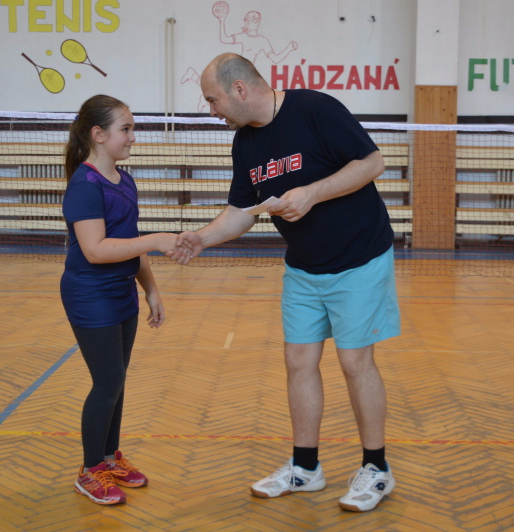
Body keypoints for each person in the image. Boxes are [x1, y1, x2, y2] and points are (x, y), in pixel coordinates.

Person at [172, 53, 401, 512]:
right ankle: (305, 468)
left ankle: (377, 469)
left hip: (359, 258)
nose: (212, 110)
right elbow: (241, 213)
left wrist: (312, 193)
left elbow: (372, 163)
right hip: (303, 267)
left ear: (239, 89)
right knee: (298, 361)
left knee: (355, 362)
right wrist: (201, 239)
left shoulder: (315, 109)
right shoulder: (245, 144)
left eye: (213, 99)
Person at [61, 94, 185, 505]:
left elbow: (129, 243)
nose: (133, 137)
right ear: (98, 134)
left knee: (117, 378)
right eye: (126, 129)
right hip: (89, 293)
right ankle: (89, 470)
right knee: (108, 381)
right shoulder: (84, 186)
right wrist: (156, 239)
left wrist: (151, 290)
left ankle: (110, 457)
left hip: (121, 292)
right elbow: (96, 250)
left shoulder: (125, 180)